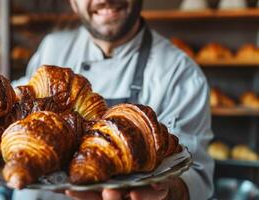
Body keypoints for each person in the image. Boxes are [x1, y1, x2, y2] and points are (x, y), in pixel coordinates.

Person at [13, 0, 214, 199]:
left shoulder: (179, 72)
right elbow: (20, 106)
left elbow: (194, 175)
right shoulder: (52, 48)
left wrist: (167, 191)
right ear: (73, 3)